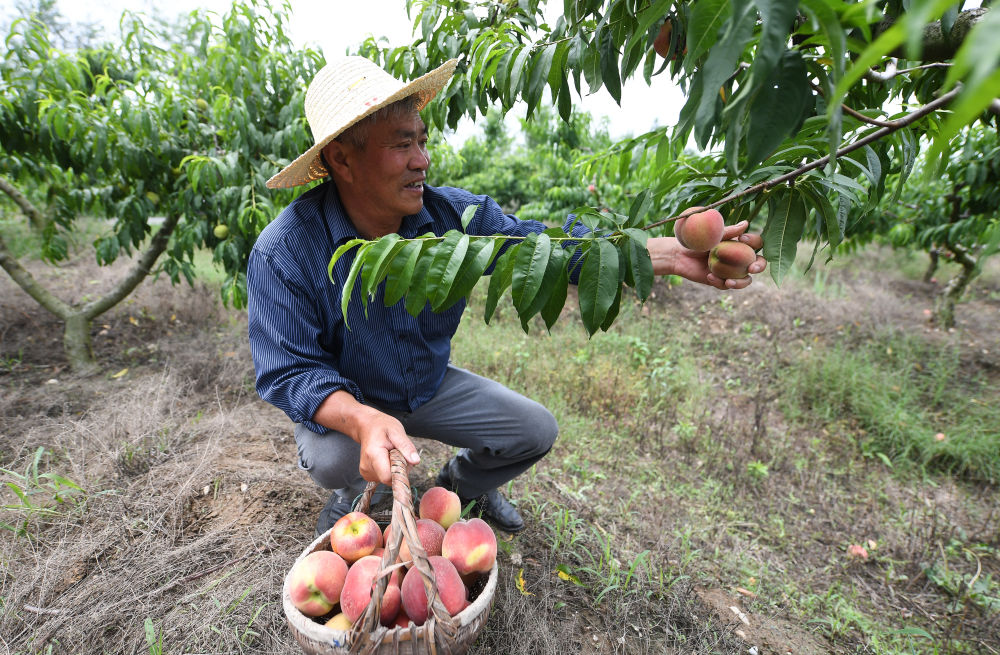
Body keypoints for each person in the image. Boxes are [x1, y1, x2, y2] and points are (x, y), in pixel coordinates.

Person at [247, 57, 766, 537]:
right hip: (351, 399)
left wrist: (671, 254)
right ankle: (355, 494)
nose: (422, 161)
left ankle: (456, 490)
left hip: (424, 385)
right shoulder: (285, 250)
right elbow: (288, 372)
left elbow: (552, 249)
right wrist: (362, 418)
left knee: (534, 429)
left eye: (422, 142)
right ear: (341, 158)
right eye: (402, 145)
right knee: (336, 458)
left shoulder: (456, 220)